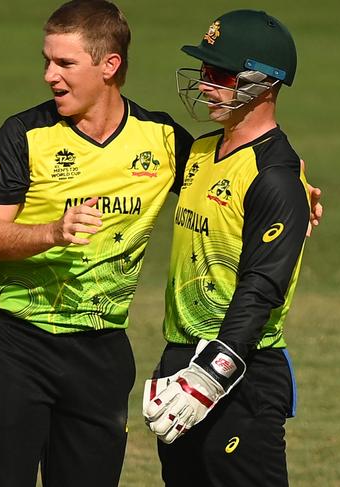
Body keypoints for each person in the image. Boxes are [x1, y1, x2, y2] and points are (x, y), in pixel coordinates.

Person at [0, 1, 194, 486]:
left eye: (65, 63)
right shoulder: (24, 133)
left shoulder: (161, 138)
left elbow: (228, 180)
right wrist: (52, 230)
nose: (50, 75)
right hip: (16, 342)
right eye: (47, 61)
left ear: (109, 65)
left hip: (100, 349)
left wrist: (293, 191)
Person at [142, 10, 311, 487]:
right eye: (204, 71)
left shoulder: (275, 177)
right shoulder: (199, 152)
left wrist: (212, 375)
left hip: (240, 373)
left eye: (219, 74)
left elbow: (262, 287)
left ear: (265, 83)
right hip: (182, 361)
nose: (204, 84)